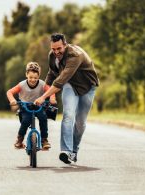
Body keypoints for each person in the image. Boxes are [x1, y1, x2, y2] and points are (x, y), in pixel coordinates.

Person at [34, 33, 99, 164]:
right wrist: (45, 93)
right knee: (68, 115)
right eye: (53, 49)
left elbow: (60, 81)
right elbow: (52, 74)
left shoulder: (75, 55)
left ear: (65, 44)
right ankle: (66, 151)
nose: (56, 52)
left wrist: (43, 97)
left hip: (88, 87)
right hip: (71, 85)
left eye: (59, 49)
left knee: (80, 122)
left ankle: (74, 151)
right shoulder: (52, 55)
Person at [7, 62, 56, 150]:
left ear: (39, 76)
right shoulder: (22, 85)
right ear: (26, 75)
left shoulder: (42, 84)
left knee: (43, 118)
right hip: (25, 106)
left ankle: (44, 140)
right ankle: (19, 140)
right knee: (25, 121)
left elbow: (51, 90)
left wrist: (52, 98)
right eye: (30, 77)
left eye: (35, 78)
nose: (33, 80)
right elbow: (9, 92)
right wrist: (12, 100)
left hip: (39, 106)